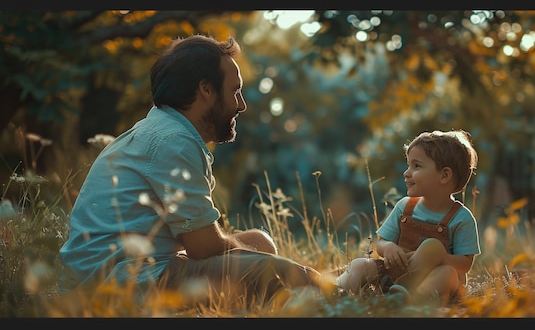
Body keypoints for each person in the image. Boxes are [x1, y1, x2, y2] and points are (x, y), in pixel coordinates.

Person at [58, 34, 326, 308]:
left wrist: (249, 254)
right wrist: (259, 263)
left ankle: (305, 287)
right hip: (118, 284)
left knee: (259, 243)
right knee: (271, 271)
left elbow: (202, 244)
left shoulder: (162, 129)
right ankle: (336, 286)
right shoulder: (174, 140)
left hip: (131, 269)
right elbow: (204, 247)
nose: (241, 105)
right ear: (206, 90)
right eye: (235, 91)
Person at [335, 129, 481, 306]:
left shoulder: (461, 218)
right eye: (408, 165)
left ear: (444, 175)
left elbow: (465, 264)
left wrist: (440, 256)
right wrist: (388, 248)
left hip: (435, 278)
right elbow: (381, 243)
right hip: (395, 275)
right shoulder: (405, 206)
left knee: (445, 270)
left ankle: (411, 299)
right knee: (360, 264)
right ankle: (334, 290)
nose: (407, 173)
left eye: (416, 166)